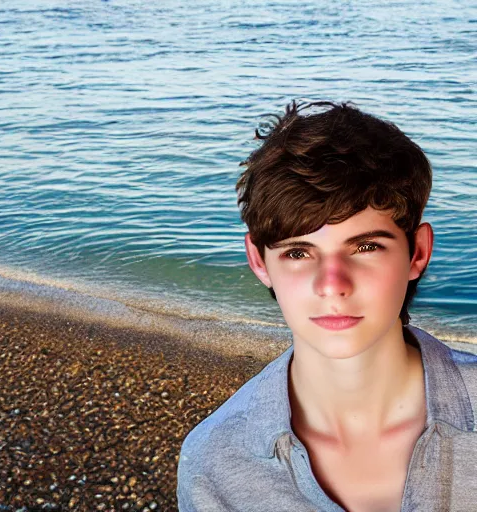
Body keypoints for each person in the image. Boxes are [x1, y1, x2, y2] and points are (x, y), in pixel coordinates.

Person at [176, 100, 477, 511]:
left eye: (366, 247)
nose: (332, 285)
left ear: (418, 253)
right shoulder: (214, 462)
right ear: (259, 261)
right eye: (299, 253)